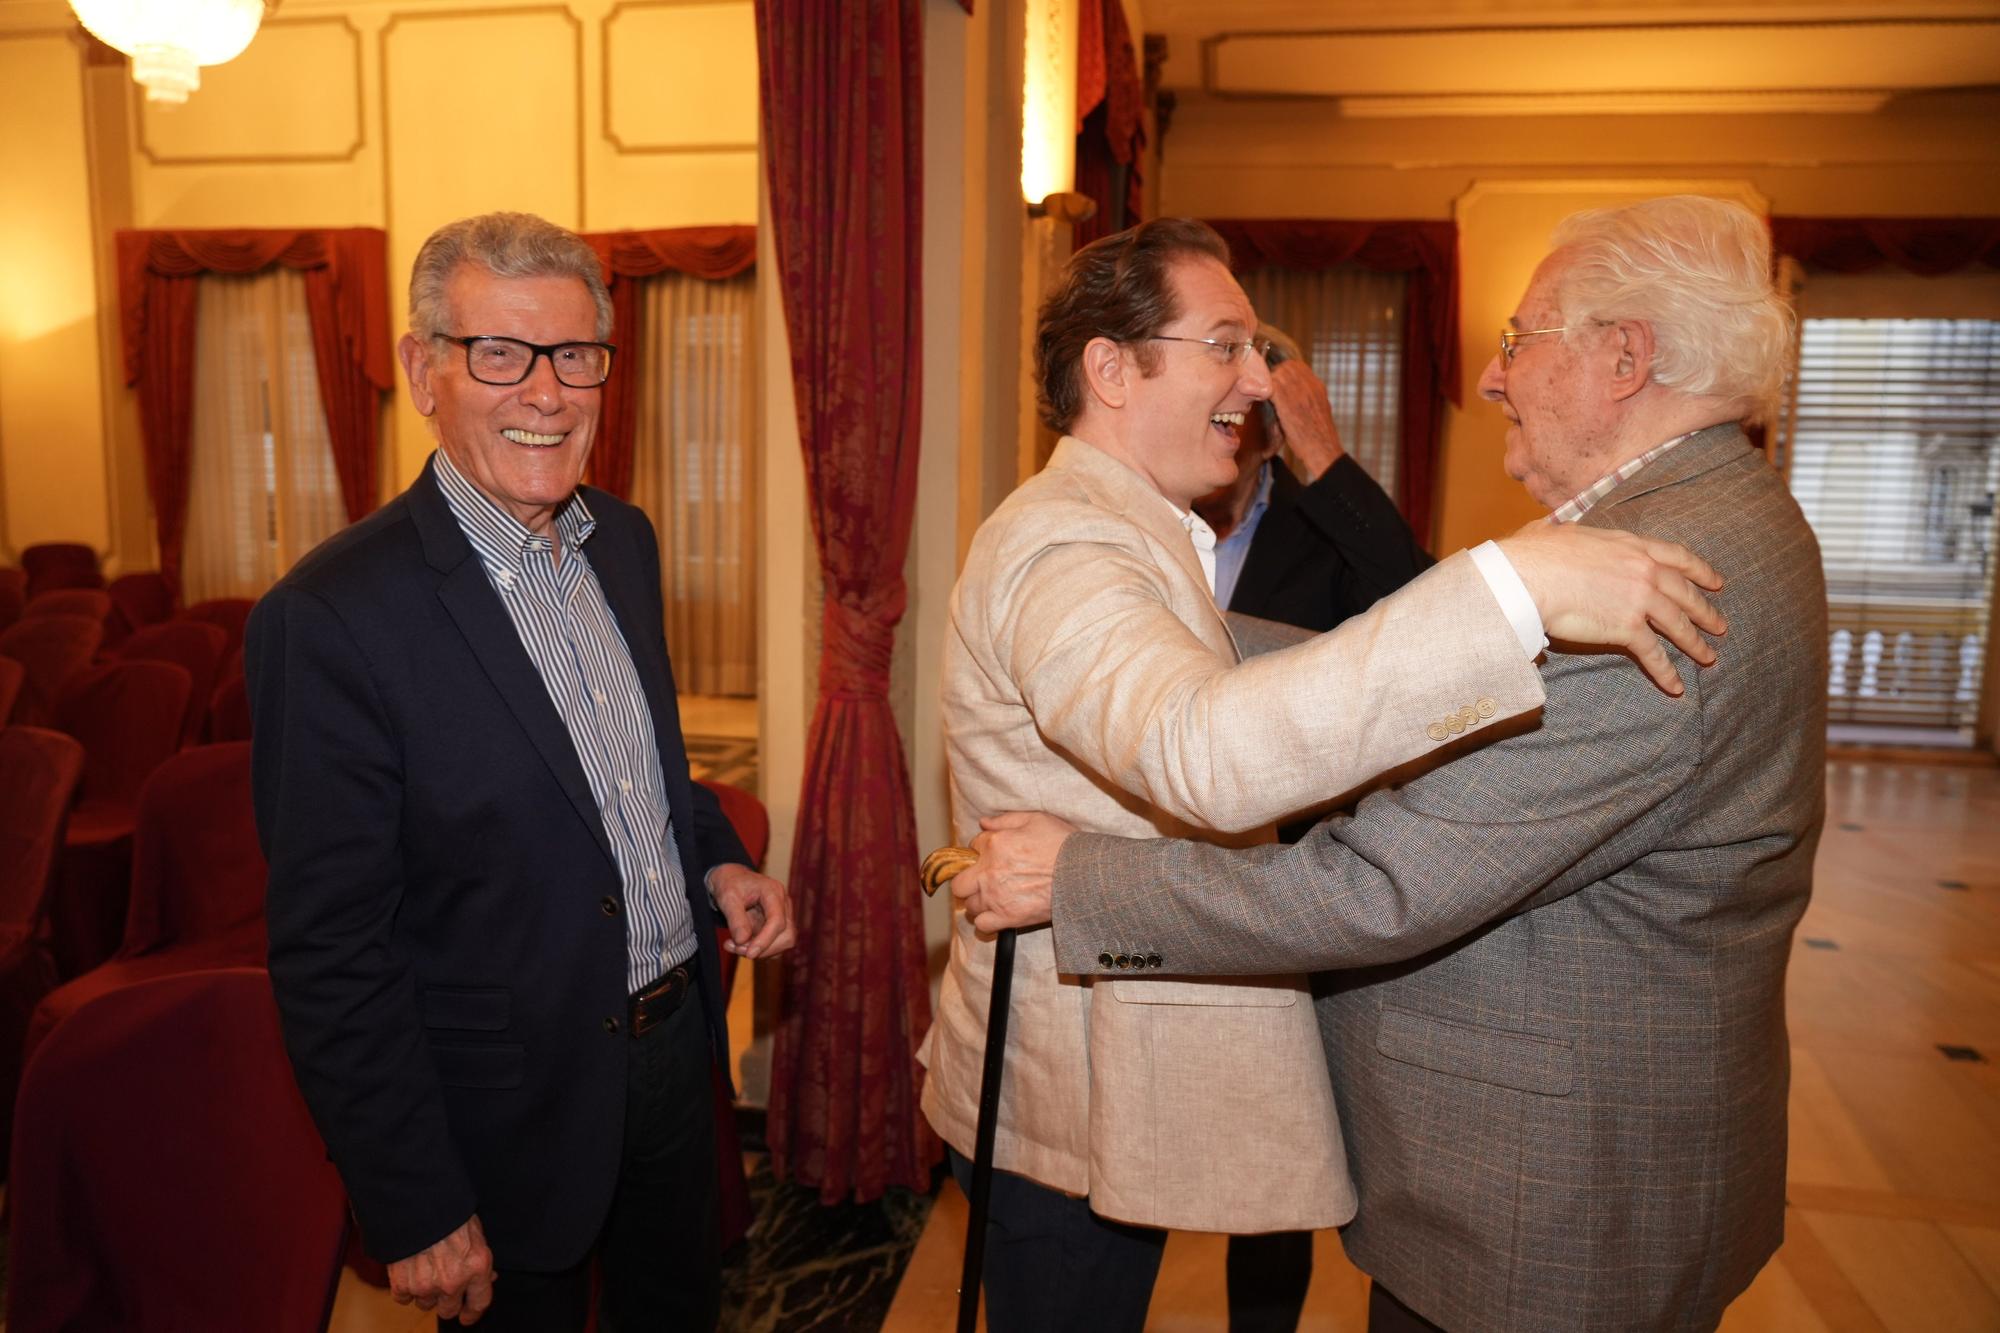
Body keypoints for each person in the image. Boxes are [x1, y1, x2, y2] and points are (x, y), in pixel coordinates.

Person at [954, 195, 1826, 1333]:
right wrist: (1505, 593)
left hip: (1552, 1200)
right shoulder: (1706, 520)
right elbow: (1230, 718)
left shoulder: (1663, 571)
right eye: (1224, 346)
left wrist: (1077, 877)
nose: (1495, 375)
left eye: (1518, 340)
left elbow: (1382, 882)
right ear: (1113, 372)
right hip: (1552, 1172)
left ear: (1623, 357)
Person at [247, 211, 795, 1331]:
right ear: (423, 370)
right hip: (500, 1113)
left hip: (670, 1065)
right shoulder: (330, 616)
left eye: (576, 355)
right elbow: (330, 950)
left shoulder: (626, 541)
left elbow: (635, 773)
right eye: (499, 353)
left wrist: (716, 864)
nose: (546, 392)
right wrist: (412, 1199)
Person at [1196, 326, 1433, 1332]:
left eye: (1244, 406)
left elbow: (1425, 618)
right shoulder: (1127, 523)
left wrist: (1327, 462)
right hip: (1146, 866)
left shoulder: (1317, 527)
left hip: (1278, 884)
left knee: (1266, 1158)